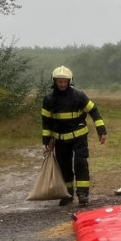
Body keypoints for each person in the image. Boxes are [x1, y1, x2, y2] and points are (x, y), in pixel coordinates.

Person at [41, 66, 107, 206]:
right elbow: (46, 121)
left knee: (80, 164)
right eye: (60, 82)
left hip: (79, 138)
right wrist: (46, 139)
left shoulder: (79, 96)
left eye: (65, 81)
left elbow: (94, 111)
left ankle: (83, 195)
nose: (63, 84)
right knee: (64, 167)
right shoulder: (49, 99)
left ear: (70, 81)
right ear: (54, 82)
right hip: (61, 140)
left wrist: (101, 129)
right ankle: (67, 194)